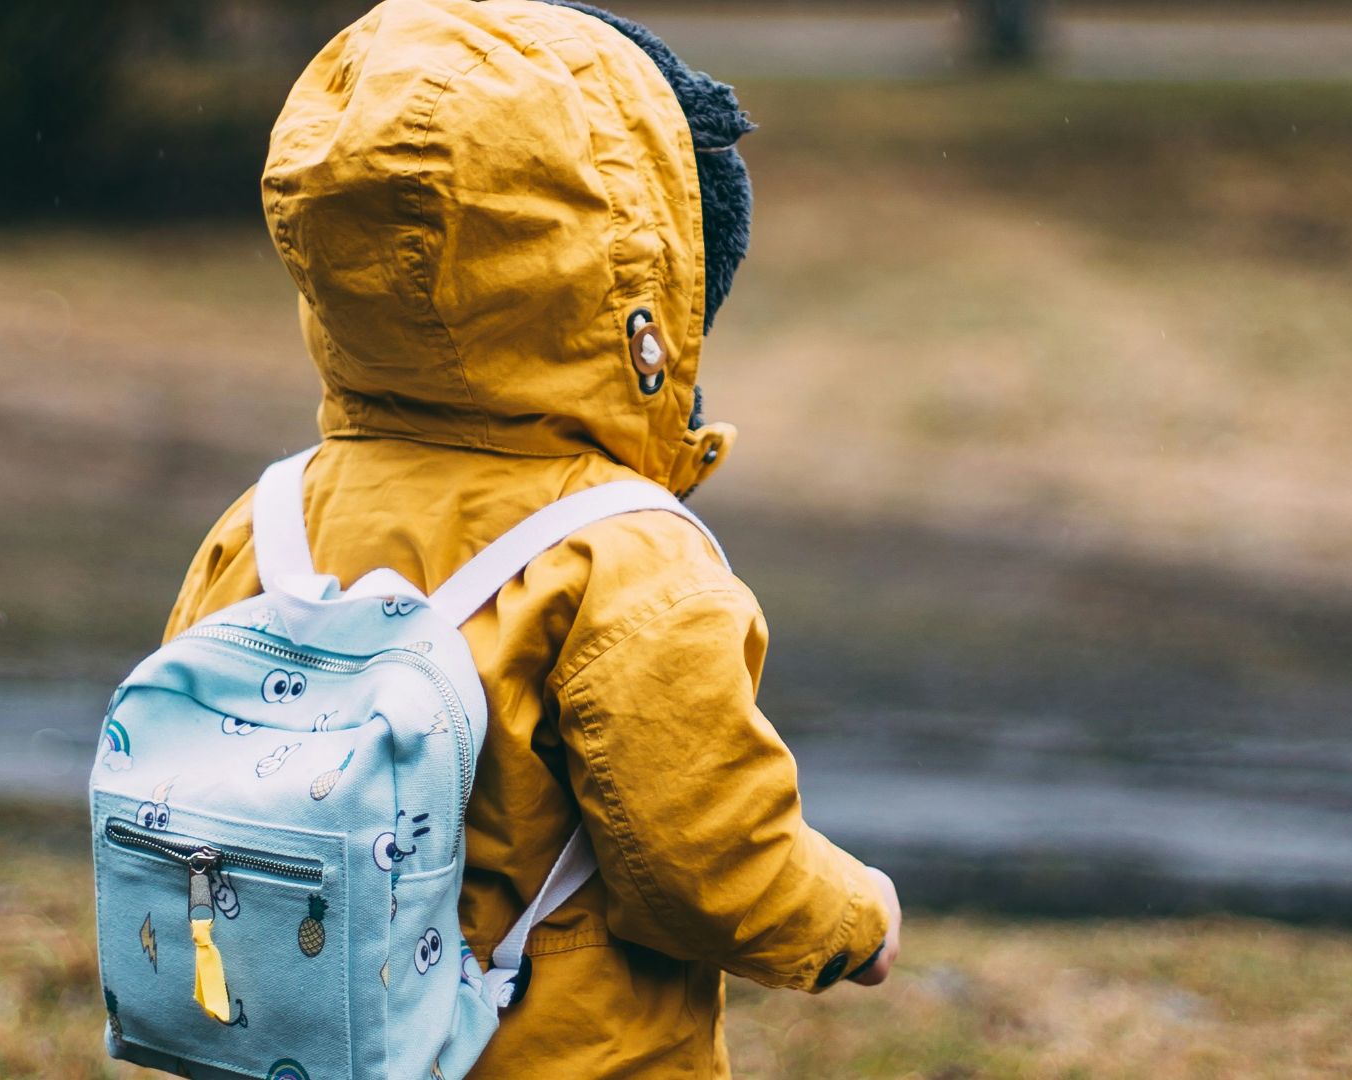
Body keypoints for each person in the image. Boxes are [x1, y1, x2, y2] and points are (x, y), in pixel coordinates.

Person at [162, 1, 902, 1075]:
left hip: (299, 1046)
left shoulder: (268, 520)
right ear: (641, 277)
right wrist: (854, 917)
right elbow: (706, 861)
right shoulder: (624, 559)